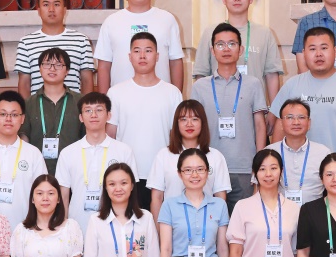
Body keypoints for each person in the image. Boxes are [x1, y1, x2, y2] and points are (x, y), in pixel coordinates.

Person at [194, 25, 272, 206]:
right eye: (220, 44)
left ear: (241, 50)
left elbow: (260, 126)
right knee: (212, 220)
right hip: (209, 167)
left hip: (244, 167)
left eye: (232, 44)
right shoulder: (200, 86)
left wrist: (259, 165)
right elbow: (194, 128)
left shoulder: (253, 84)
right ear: (212, 51)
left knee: (244, 220)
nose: (226, 49)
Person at [271, 26, 336, 159]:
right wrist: (275, 161)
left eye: (324, 48)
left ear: (335, 51)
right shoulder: (291, 85)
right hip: (296, 166)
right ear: (304, 53)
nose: (318, 54)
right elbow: (280, 126)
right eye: (312, 49)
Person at [107, 34, 186, 200]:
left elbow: (178, 136)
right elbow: (110, 136)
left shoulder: (172, 93)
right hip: (126, 176)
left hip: (164, 173)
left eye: (148, 51)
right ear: (130, 57)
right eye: (137, 51)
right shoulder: (115, 92)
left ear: (157, 56)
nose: (142, 56)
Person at [96, 0, 187, 91]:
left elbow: (175, 62)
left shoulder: (167, 20)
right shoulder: (111, 22)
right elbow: (104, 65)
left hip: (160, 96)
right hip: (120, 98)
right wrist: (104, 100)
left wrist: (177, 97)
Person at [146, 100, 232, 214]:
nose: (189, 124)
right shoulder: (163, 155)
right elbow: (157, 198)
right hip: (172, 220)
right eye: (183, 119)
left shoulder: (216, 156)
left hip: (206, 220)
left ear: (203, 123)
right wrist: (159, 225)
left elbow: (220, 198)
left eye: (195, 119)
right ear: (176, 124)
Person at [56, 92, 133, 217]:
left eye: (99, 110)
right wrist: (64, 224)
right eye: (88, 111)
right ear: (81, 117)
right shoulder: (67, 153)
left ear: (109, 115)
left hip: (113, 222)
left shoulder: (124, 151)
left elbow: (131, 193)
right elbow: (63, 196)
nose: (93, 115)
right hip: (77, 222)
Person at [0, 91, 43, 227]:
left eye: (14, 115)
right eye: (3, 114)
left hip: (24, 229)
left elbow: (42, 193)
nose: (8, 119)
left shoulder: (33, 154)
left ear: (22, 119)